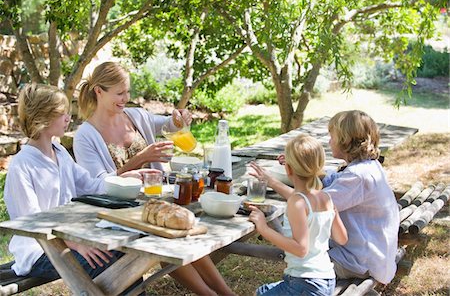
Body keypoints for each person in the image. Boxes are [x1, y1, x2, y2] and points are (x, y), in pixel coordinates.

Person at [73, 61, 235, 296]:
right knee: (168, 241)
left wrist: (180, 119)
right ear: (98, 91)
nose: (125, 98)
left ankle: (225, 293)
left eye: (127, 91)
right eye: (119, 93)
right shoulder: (85, 136)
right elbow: (100, 185)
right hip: (121, 212)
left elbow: (168, 124)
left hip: (155, 201)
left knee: (184, 234)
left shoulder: (135, 116)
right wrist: (140, 158)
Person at [3, 84, 148, 292]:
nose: (68, 119)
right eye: (62, 114)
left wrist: (123, 177)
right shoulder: (22, 165)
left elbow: (90, 185)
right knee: (111, 260)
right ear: (43, 118)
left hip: (69, 239)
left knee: (126, 251)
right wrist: (75, 244)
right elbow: (32, 223)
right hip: (40, 250)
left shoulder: (59, 152)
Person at [265, 110, 399, 285]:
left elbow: (310, 203)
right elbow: (331, 179)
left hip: (357, 262)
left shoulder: (357, 177)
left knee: (303, 256)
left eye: (332, 136)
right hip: (373, 255)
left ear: (346, 141)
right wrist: (303, 165)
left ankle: (295, 289)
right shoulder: (367, 167)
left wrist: (272, 182)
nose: (329, 142)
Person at [248, 134, 348, 296]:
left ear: (287, 168)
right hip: (326, 279)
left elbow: (301, 249)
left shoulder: (298, 202)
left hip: (305, 283)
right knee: (261, 292)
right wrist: (271, 181)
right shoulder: (326, 198)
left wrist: (263, 228)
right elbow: (342, 238)